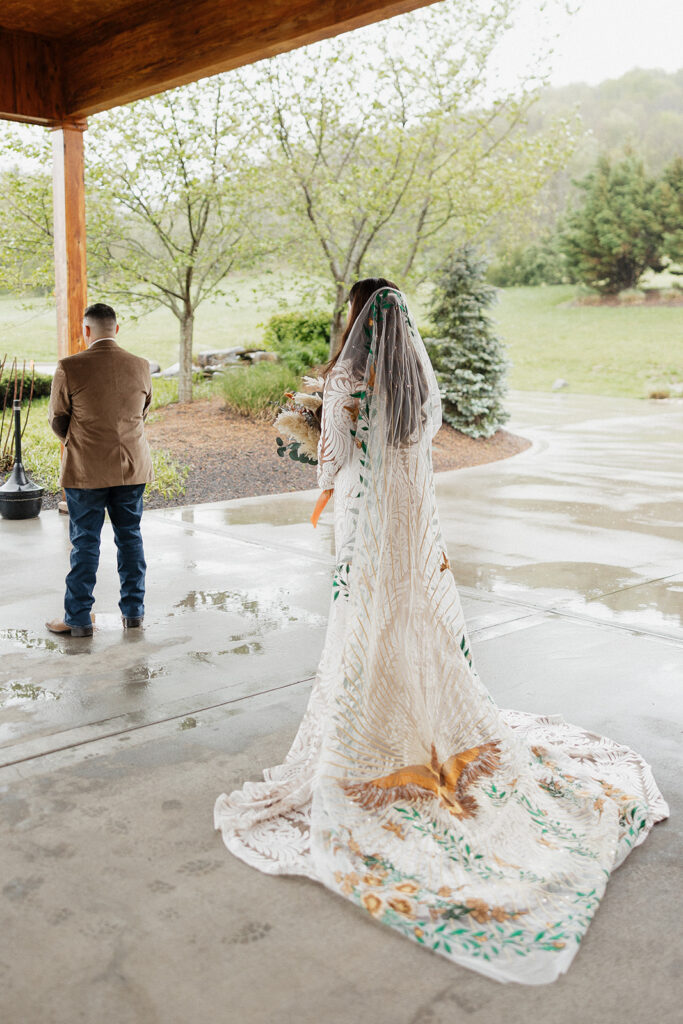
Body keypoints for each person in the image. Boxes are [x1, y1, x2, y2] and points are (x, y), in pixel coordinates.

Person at [214, 280, 668, 985]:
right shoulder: (414, 380)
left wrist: (299, 433)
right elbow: (418, 445)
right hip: (408, 531)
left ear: (357, 323)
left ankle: (373, 731)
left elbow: (328, 463)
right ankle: (420, 721)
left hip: (362, 530)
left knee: (364, 629)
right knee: (407, 622)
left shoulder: (346, 384)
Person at [46, 303, 154, 638]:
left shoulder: (69, 366)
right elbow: (142, 411)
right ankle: (133, 615)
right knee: (130, 537)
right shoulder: (141, 365)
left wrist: (82, 442)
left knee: (85, 542)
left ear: (86, 330)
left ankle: (77, 620)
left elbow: (57, 418)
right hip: (132, 466)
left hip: (86, 470)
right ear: (116, 330)